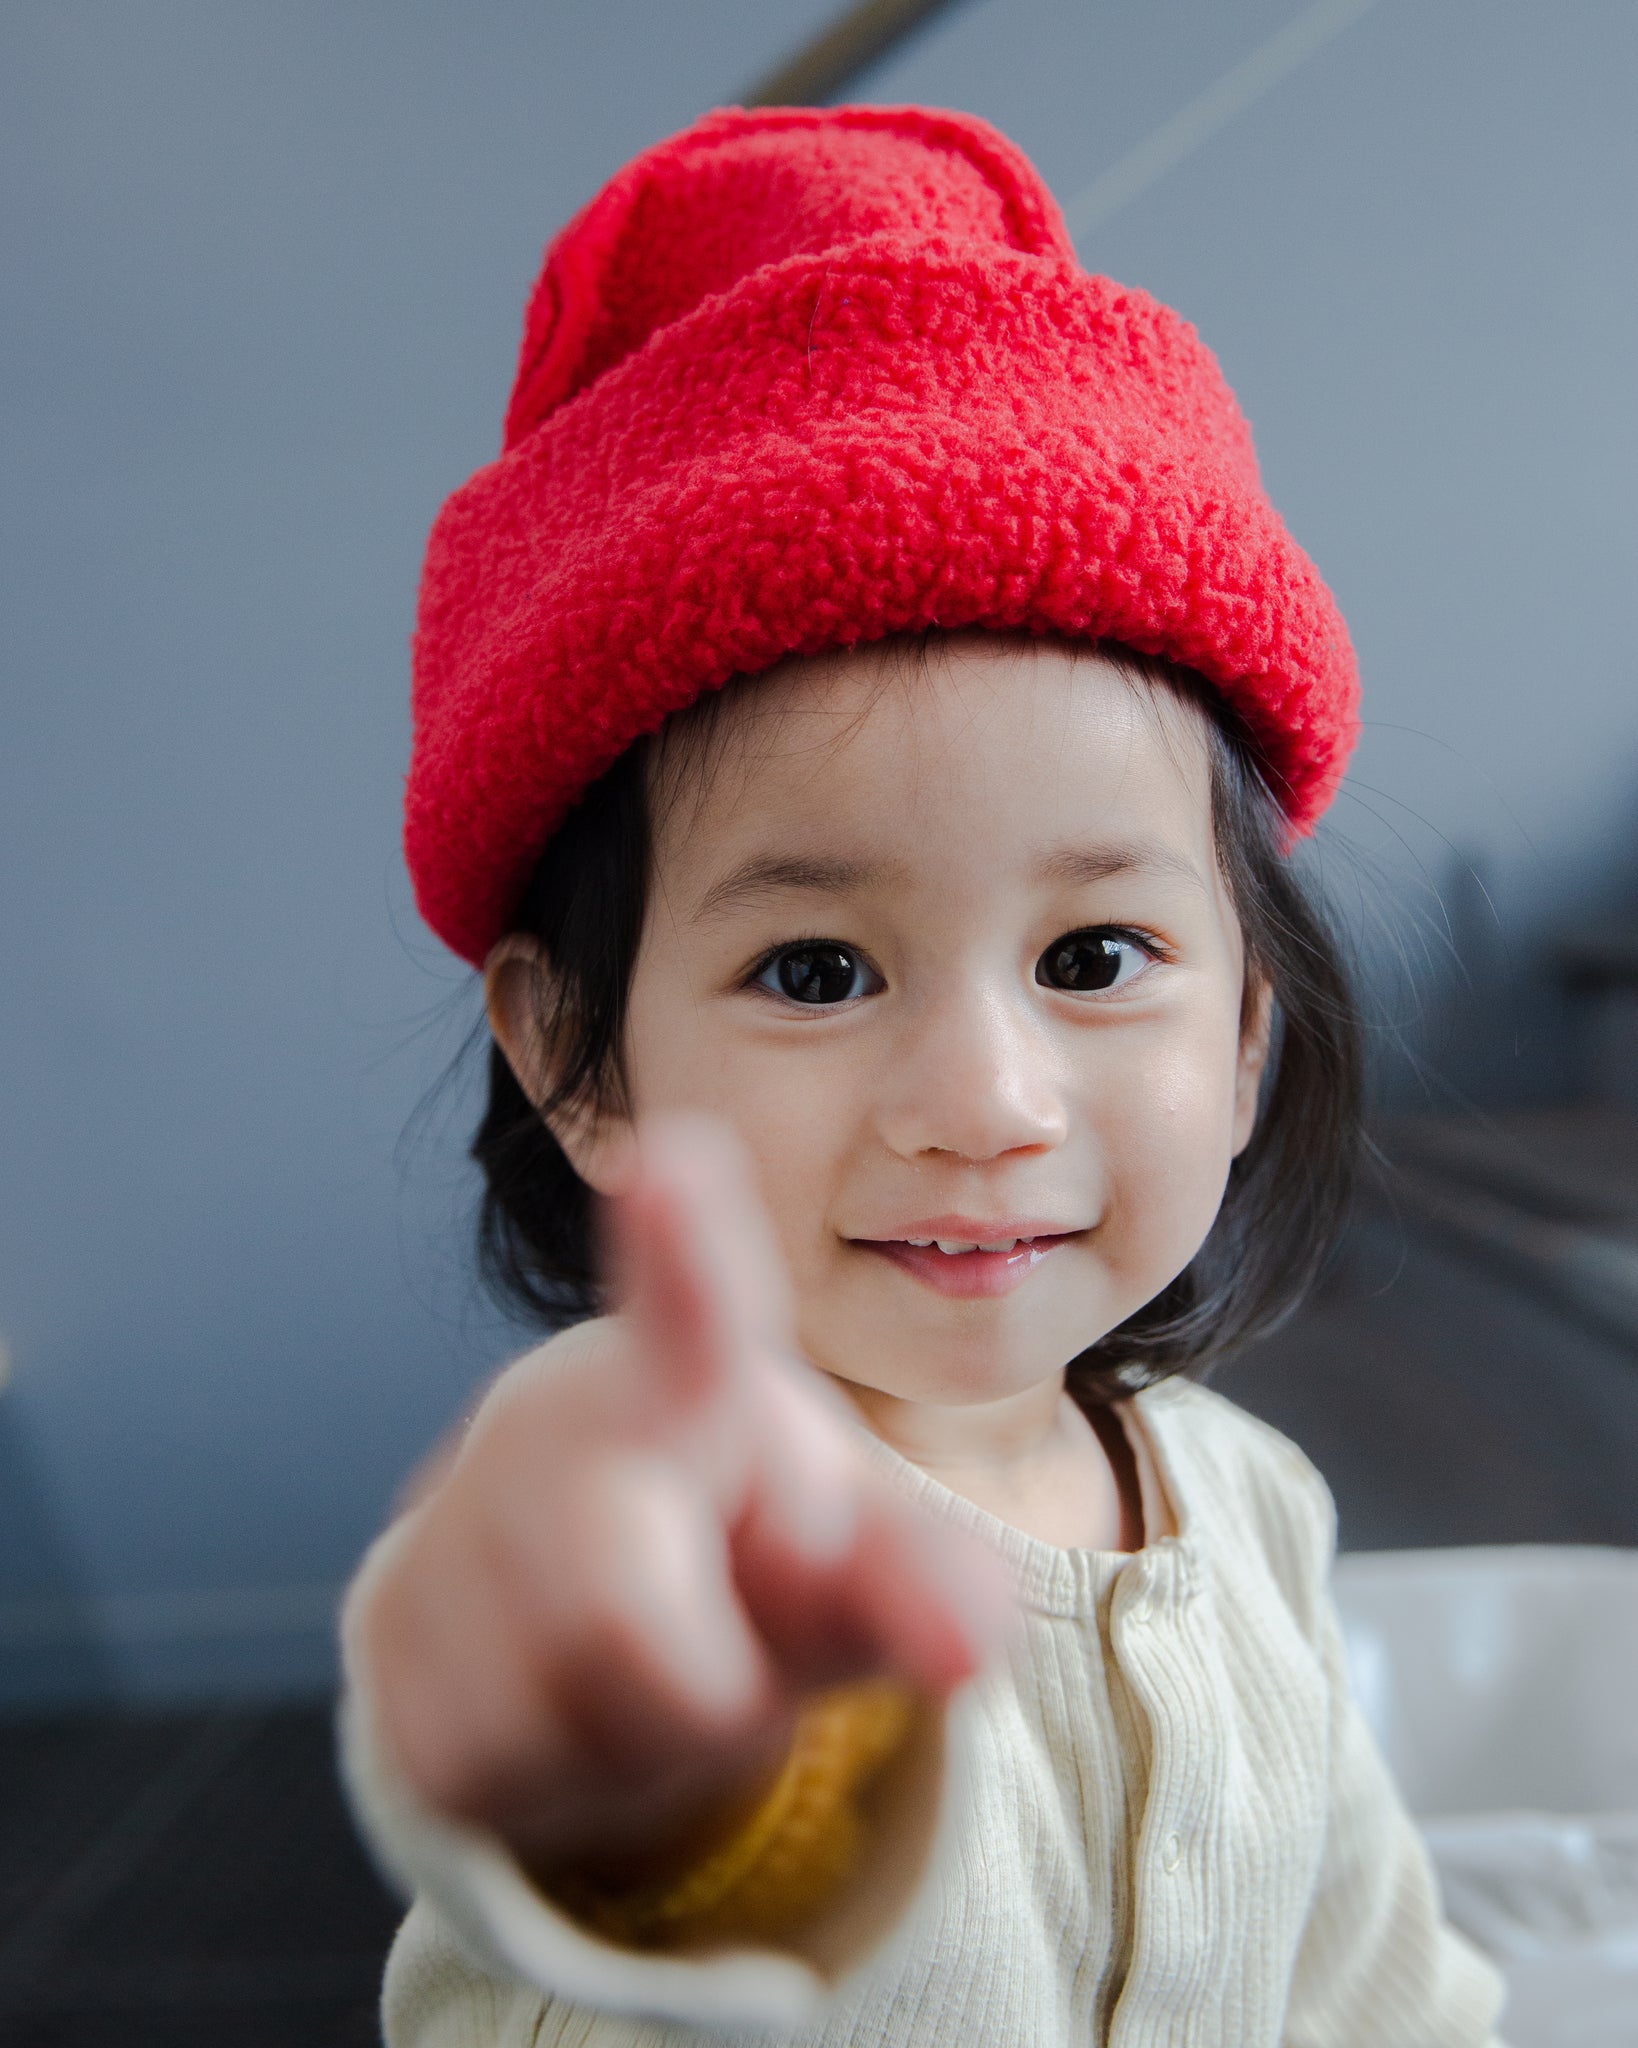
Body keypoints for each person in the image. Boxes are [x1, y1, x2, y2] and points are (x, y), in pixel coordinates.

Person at [340, 105, 1509, 2046]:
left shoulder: (1252, 1505)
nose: (985, 1098)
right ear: (575, 1056)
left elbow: (1373, 1976)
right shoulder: (680, 1541)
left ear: (1243, 1034)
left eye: (1093, 958)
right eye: (816, 968)